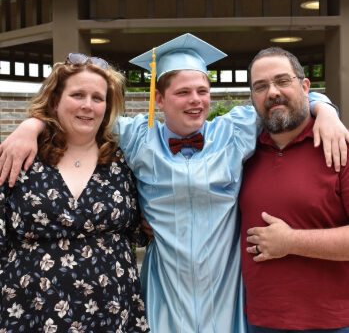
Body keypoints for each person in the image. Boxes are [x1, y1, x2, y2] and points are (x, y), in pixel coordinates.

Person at [0, 34, 348, 333]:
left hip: (225, 290)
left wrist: (327, 111)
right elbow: (81, 114)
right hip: (165, 290)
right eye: (182, 92)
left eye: (202, 90)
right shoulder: (137, 137)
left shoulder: (235, 131)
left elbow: (284, 97)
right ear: (159, 100)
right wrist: (31, 126)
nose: (195, 100)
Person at [0, 54, 150, 333]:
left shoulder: (123, 161)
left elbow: (140, 231)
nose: (87, 105)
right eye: (77, 94)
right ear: (55, 100)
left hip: (112, 313)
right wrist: (32, 125)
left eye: (97, 97)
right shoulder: (21, 156)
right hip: (31, 313)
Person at [239, 47, 349, 333]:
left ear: (305, 87)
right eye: (260, 86)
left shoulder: (339, 147)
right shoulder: (241, 156)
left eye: (282, 81)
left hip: (331, 323)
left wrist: (291, 242)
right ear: (252, 97)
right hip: (257, 322)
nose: (272, 92)